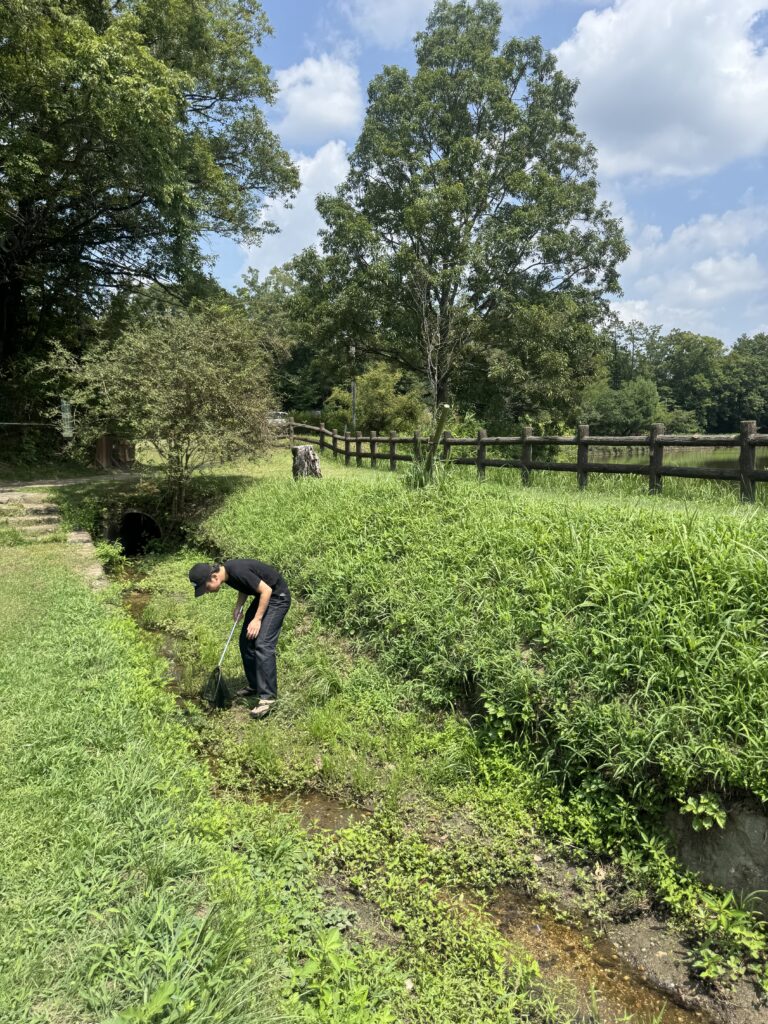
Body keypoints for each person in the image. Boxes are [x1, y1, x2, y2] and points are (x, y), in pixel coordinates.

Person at [188, 559, 291, 719]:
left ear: (214, 577)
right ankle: (256, 685)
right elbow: (245, 586)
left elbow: (266, 591)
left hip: (277, 597)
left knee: (263, 644)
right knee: (245, 641)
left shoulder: (237, 570)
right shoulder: (228, 574)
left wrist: (257, 620)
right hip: (264, 596)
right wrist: (238, 606)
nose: (206, 591)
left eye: (206, 588)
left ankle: (268, 698)